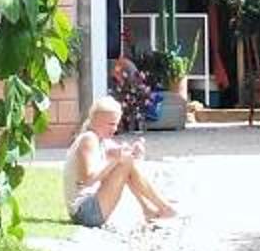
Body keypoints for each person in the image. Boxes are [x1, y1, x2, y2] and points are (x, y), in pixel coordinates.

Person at [64, 96, 177, 228]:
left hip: (89, 208)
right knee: (124, 160)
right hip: (85, 212)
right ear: (96, 121)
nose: (115, 129)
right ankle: (163, 207)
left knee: (125, 160)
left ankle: (149, 208)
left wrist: (135, 153)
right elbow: (87, 180)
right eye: (111, 124)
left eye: (116, 124)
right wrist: (114, 160)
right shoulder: (88, 139)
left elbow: (127, 168)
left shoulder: (101, 140)